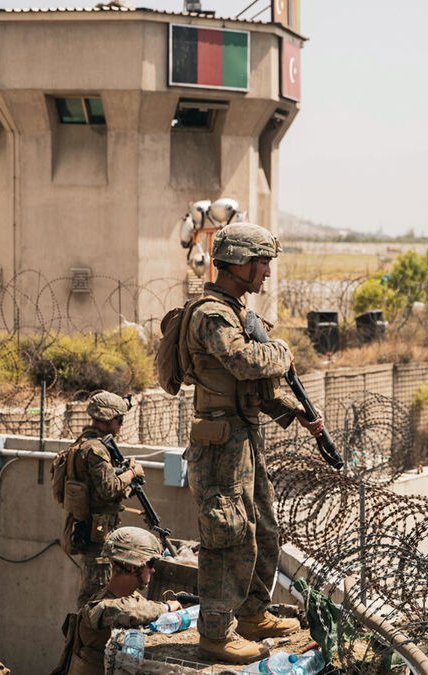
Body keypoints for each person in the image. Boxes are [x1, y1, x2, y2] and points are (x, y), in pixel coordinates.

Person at [179, 223, 323, 663]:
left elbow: (251, 388)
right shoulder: (212, 314)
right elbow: (244, 363)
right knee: (227, 534)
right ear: (239, 261)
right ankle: (216, 634)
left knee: (262, 527)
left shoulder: (236, 310)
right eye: (262, 262)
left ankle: (252, 614)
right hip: (220, 443)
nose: (267, 271)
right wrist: (283, 351)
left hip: (242, 437)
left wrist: (288, 409)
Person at [56, 527, 183, 675]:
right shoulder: (100, 608)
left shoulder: (133, 599)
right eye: (150, 564)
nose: (153, 570)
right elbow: (123, 611)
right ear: (132, 566)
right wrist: (166, 607)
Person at [58, 390, 145, 607]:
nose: (121, 425)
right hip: (97, 533)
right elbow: (109, 488)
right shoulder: (96, 449)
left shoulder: (82, 443)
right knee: (96, 596)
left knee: (93, 594)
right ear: (110, 420)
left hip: (90, 527)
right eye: (119, 420)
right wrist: (132, 473)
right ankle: (85, 639)